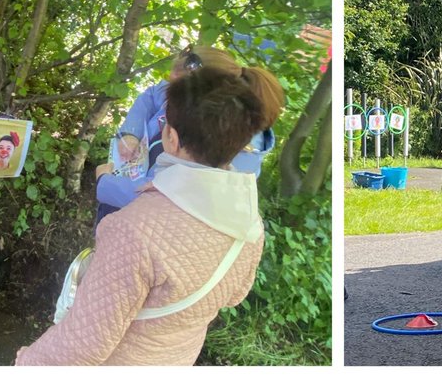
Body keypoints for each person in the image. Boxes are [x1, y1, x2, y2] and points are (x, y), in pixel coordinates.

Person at [16, 63, 284, 365]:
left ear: (170, 136)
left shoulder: (132, 230)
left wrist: (25, 363)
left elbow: (79, 348)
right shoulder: (250, 225)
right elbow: (234, 294)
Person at [95, 47, 280, 226]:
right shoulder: (200, 103)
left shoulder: (223, 149)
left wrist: (105, 183)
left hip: (140, 221)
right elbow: (152, 95)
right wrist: (132, 133)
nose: (170, 78)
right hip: (128, 191)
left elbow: (165, 198)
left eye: (179, 79)